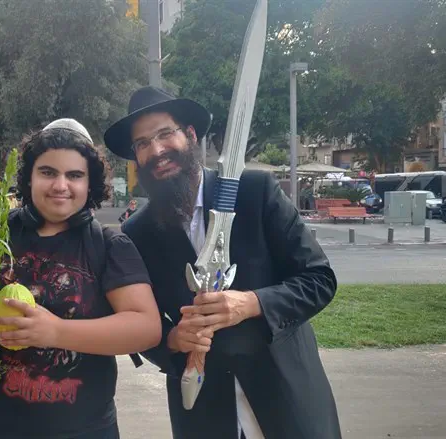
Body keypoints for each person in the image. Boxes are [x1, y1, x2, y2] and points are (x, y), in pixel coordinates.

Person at [103, 86, 342, 439]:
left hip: (288, 401)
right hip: (203, 413)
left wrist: (253, 303)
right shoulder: (136, 233)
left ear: (190, 135)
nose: (156, 151)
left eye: (165, 134)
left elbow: (319, 279)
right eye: (142, 144)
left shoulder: (254, 193)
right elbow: (141, 325)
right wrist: (172, 340)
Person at [0, 118, 161, 439]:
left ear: (90, 184)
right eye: (48, 172)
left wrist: (55, 331)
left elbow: (146, 327)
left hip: (82, 430)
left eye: (74, 175)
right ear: (29, 178)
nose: (61, 185)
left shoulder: (110, 246)